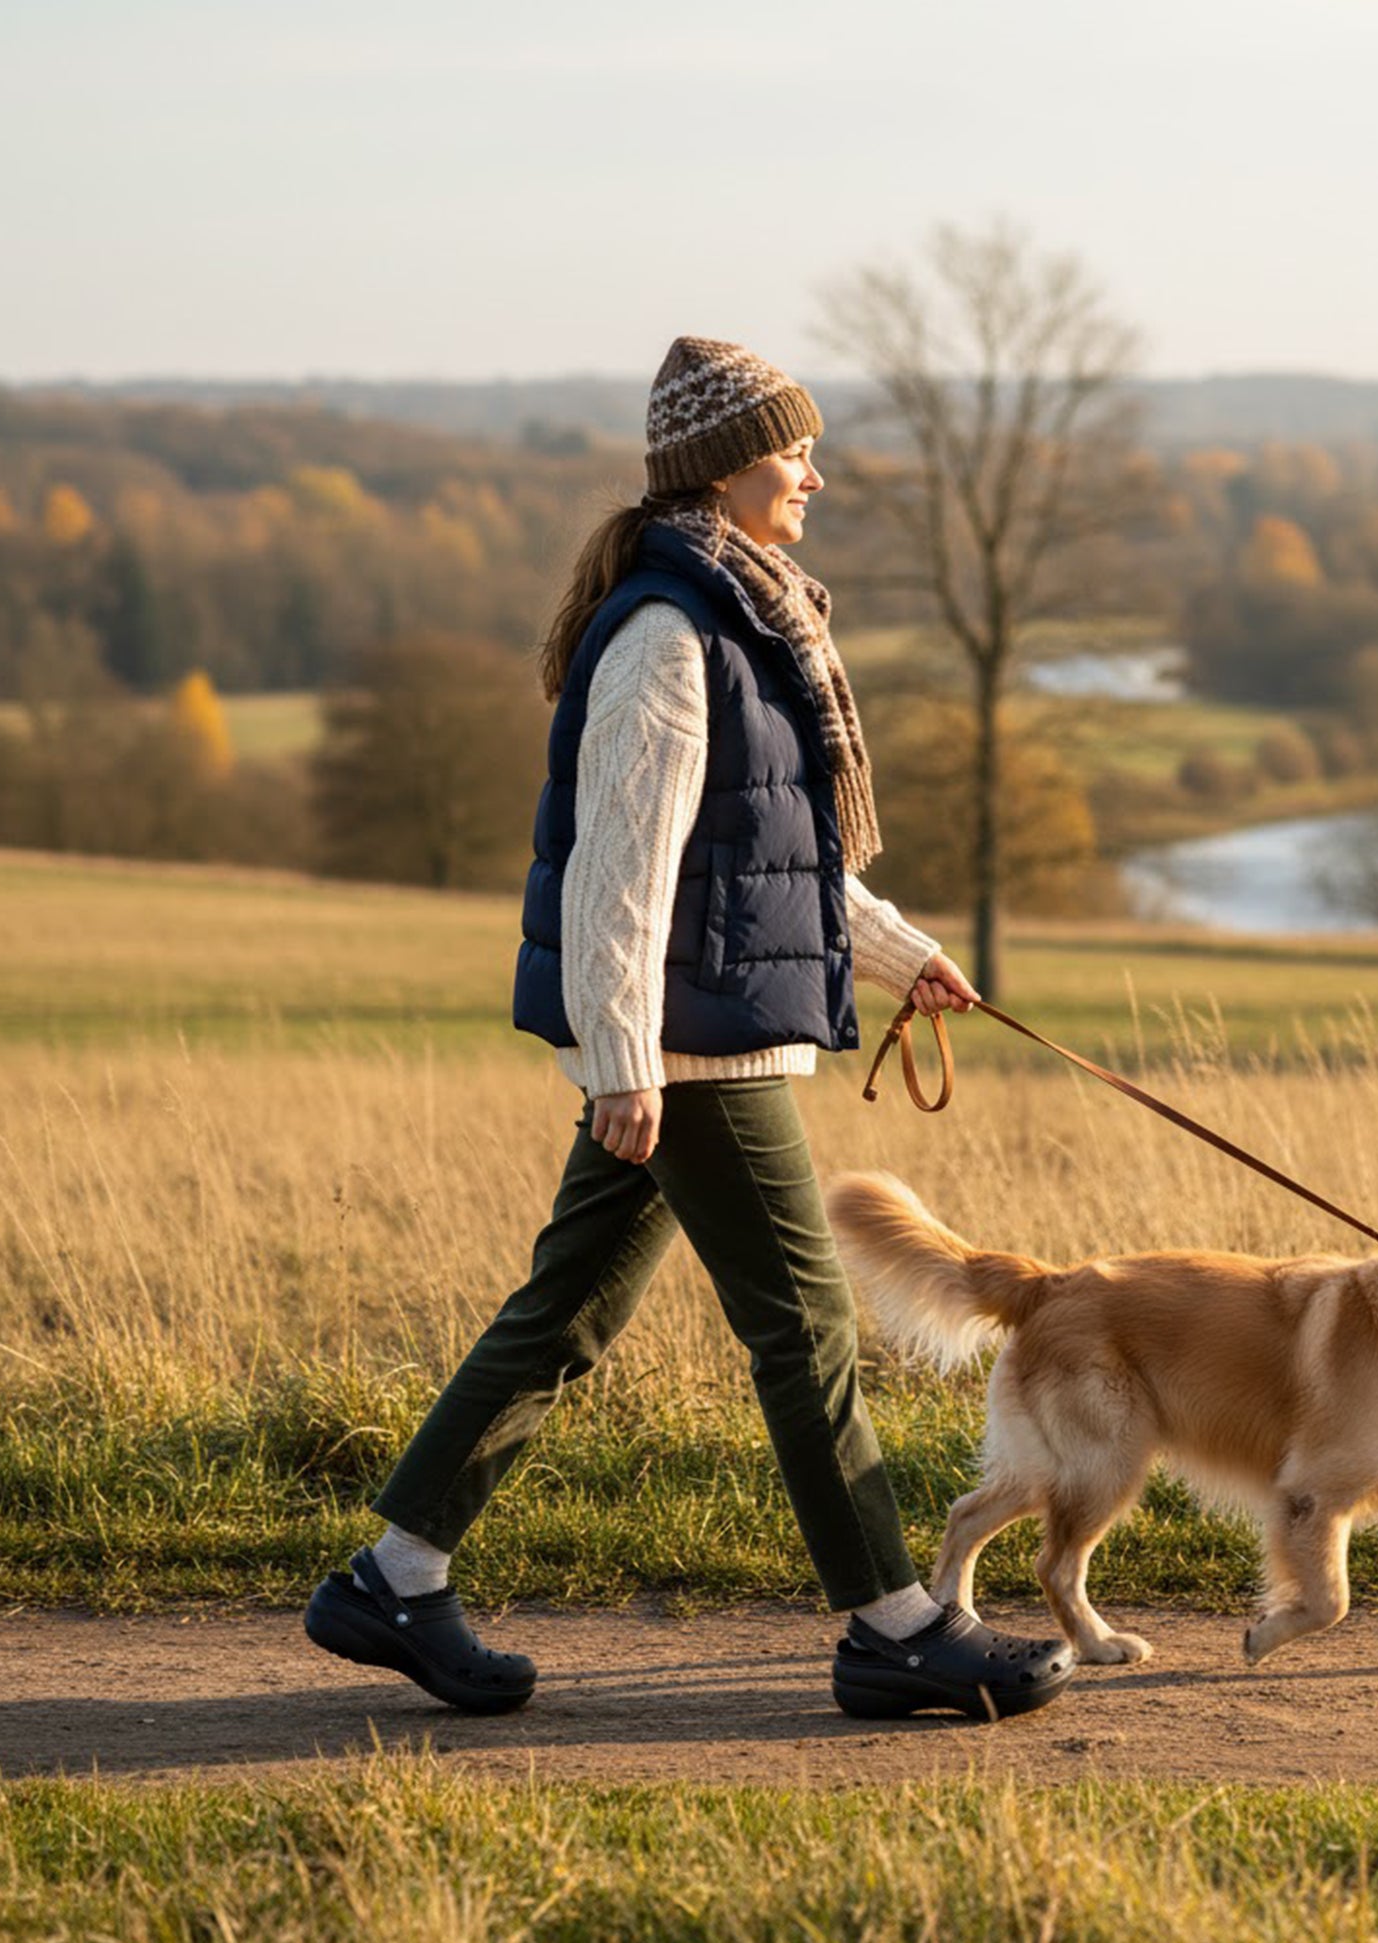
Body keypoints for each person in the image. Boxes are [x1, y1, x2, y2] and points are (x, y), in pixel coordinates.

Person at [305, 337, 1075, 1723]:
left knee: (567, 1313)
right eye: (796, 453)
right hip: (691, 1048)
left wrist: (905, 958)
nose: (816, 476)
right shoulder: (670, 635)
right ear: (726, 469)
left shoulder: (743, 618)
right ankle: (894, 1624)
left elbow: (771, 852)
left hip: (690, 1034)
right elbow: (622, 868)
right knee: (808, 1326)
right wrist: (624, 1062)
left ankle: (396, 1572)